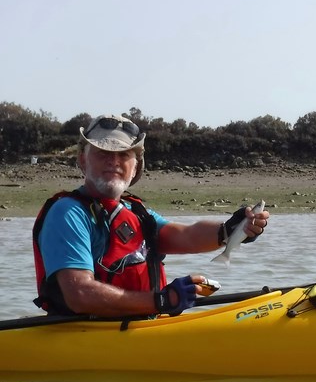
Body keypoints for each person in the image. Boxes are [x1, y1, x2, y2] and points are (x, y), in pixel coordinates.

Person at [32, 114, 269, 317]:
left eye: (124, 154)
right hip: (87, 337)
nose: (113, 161)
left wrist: (231, 230)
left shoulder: (136, 212)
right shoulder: (68, 213)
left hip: (136, 328)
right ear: (83, 159)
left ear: (136, 166)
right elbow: (80, 294)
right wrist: (162, 301)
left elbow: (187, 235)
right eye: (103, 151)